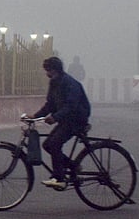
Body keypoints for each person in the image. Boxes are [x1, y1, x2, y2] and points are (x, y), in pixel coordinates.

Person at [26, 55, 92, 190]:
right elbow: (50, 104)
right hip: (66, 119)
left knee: (55, 144)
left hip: (77, 119)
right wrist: (35, 116)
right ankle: (73, 166)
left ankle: (59, 178)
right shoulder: (54, 83)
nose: (47, 74)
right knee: (47, 145)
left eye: (49, 70)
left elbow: (71, 106)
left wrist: (55, 117)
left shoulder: (69, 83)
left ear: (56, 70)